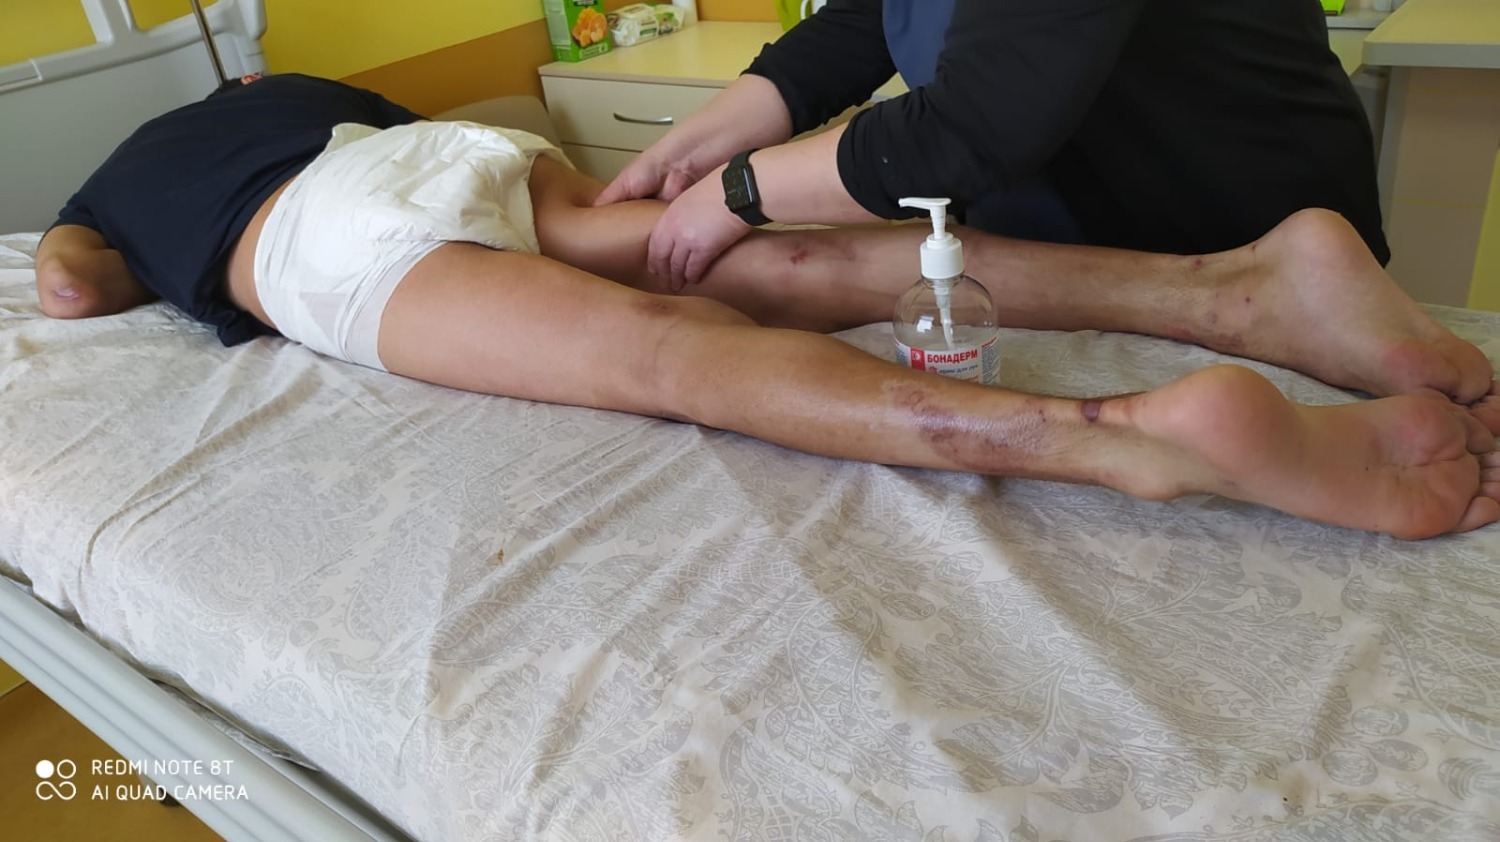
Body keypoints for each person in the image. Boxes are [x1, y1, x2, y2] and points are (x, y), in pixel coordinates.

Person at [34, 73, 1500, 540]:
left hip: (317, 233)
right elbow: (442, 147)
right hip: (440, 155)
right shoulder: (297, 90)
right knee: (774, 262)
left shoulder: (120, 166)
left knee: (667, 353)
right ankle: (1235, 292)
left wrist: (97, 230)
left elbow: (67, 284)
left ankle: (1123, 436)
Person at [596, 0, 1391, 291]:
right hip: (1071, 238)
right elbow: (865, 19)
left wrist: (740, 191)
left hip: (1232, 225)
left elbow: (974, 124)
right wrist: (689, 151)